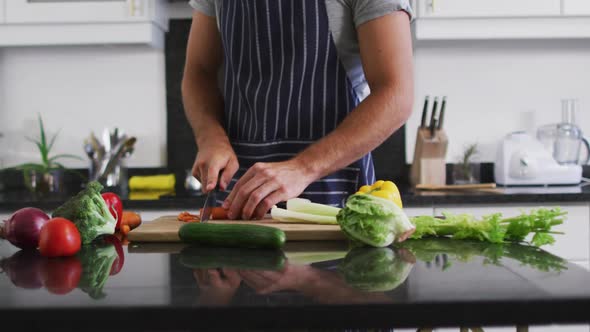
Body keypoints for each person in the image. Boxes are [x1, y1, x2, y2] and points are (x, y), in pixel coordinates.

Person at [182, 0, 415, 220]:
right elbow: (199, 72)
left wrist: (302, 168)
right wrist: (210, 137)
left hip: (334, 196)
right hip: (237, 197)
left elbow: (396, 94)